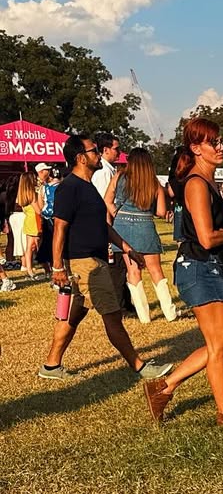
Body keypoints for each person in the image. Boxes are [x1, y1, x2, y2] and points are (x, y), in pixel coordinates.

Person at [38, 134, 173, 384]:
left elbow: (102, 225)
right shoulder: (70, 187)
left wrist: (127, 248)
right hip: (85, 263)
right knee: (112, 315)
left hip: (93, 260)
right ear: (81, 158)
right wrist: (57, 268)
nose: (98, 154)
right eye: (93, 151)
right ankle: (140, 366)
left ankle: (51, 365)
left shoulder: (87, 186)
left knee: (74, 315)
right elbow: (59, 228)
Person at [143, 117, 223, 426]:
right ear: (196, 148)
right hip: (197, 266)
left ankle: (164, 388)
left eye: (220, 141)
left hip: (206, 266)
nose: (220, 147)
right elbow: (206, 238)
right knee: (220, 344)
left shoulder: (207, 181)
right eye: (213, 143)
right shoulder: (197, 184)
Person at [105, 147, 176, 322]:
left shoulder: (119, 177)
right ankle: (170, 313)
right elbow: (161, 212)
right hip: (145, 227)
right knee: (156, 271)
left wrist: (117, 213)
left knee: (133, 272)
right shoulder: (153, 182)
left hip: (122, 229)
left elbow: (107, 200)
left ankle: (144, 317)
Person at [16, 171, 42, 280]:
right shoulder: (33, 195)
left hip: (28, 221)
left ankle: (29, 269)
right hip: (36, 221)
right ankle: (45, 267)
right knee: (37, 246)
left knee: (29, 247)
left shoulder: (22, 195)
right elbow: (39, 211)